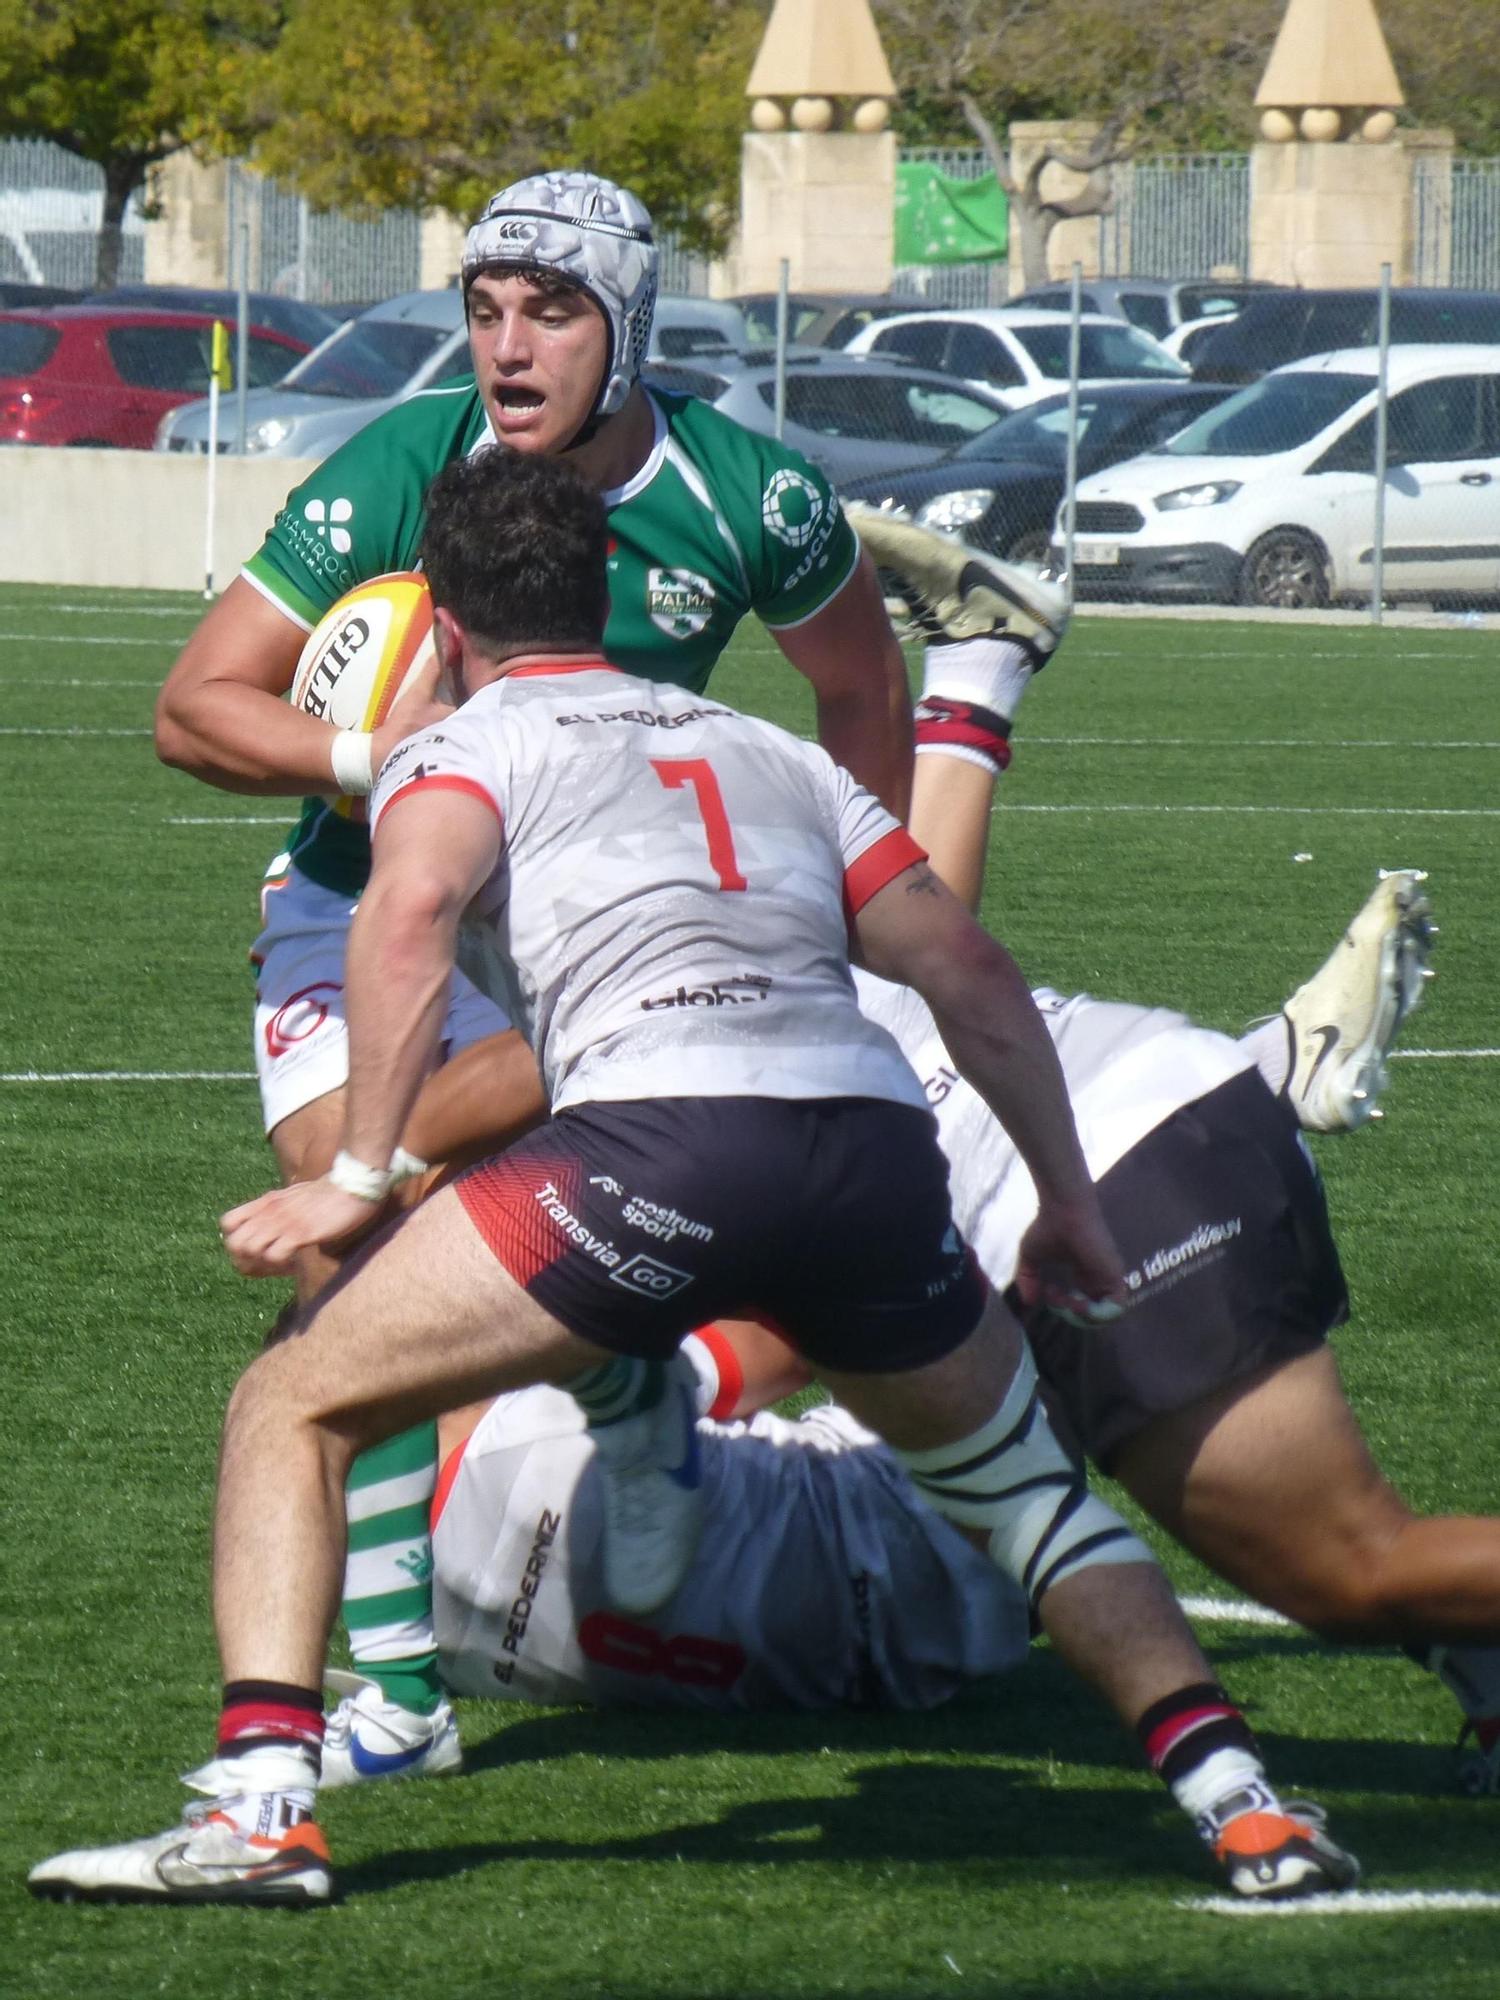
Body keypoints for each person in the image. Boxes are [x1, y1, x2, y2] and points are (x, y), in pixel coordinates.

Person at [30, 447, 1356, 1909]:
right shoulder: (767, 749)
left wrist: (361, 1172)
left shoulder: (459, 746)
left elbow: (405, 910)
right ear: (606, 586)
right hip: (863, 1151)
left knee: (294, 1395)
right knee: (1028, 1495)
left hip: (654, 1144)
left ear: (445, 625)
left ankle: (266, 1809)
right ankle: (1241, 1806)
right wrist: (1069, 1203)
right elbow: (966, 973)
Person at [152, 169, 921, 1747]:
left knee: (395, 1216)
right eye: (485, 312)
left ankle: (418, 1654)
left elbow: (859, 689)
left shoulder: (746, 500)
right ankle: (593, 1442)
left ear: (627, 328)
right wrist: (386, 759)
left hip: (592, 927)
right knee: (341, 1243)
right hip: (364, 892)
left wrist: (852, 889)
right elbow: (195, 707)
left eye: (552, 313)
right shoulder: (404, 465)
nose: (507, 349)